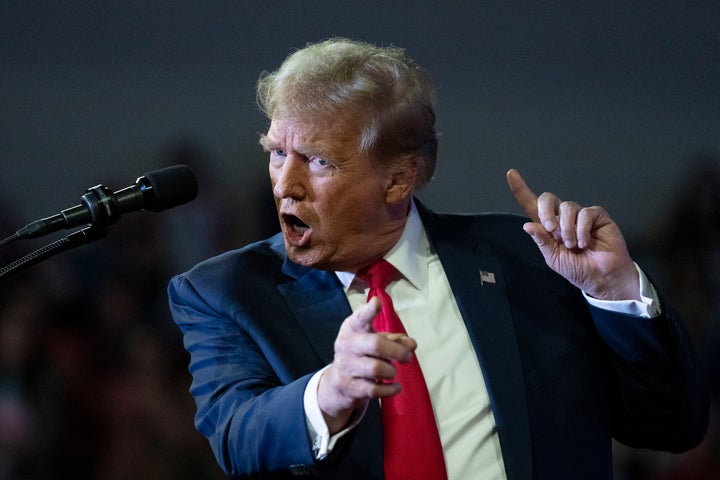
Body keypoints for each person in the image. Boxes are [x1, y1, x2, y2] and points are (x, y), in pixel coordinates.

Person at [167, 38, 709, 479]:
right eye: (277, 153)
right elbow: (238, 437)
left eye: (318, 161)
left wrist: (614, 294)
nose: (285, 184)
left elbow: (672, 426)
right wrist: (329, 392)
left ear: (399, 178)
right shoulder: (226, 291)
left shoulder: (533, 260)